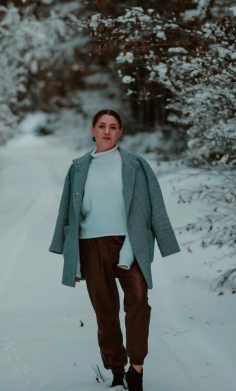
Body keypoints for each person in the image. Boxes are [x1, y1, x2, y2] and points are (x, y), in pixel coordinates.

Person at [49, 109, 181, 391]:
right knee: (105, 310)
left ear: (120, 132)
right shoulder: (78, 167)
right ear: (92, 129)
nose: (107, 131)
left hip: (129, 241)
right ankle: (116, 369)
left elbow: (150, 207)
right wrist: (70, 259)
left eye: (113, 126)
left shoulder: (135, 165)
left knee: (138, 301)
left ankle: (136, 367)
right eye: (101, 126)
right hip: (90, 245)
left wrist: (154, 243)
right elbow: (68, 213)